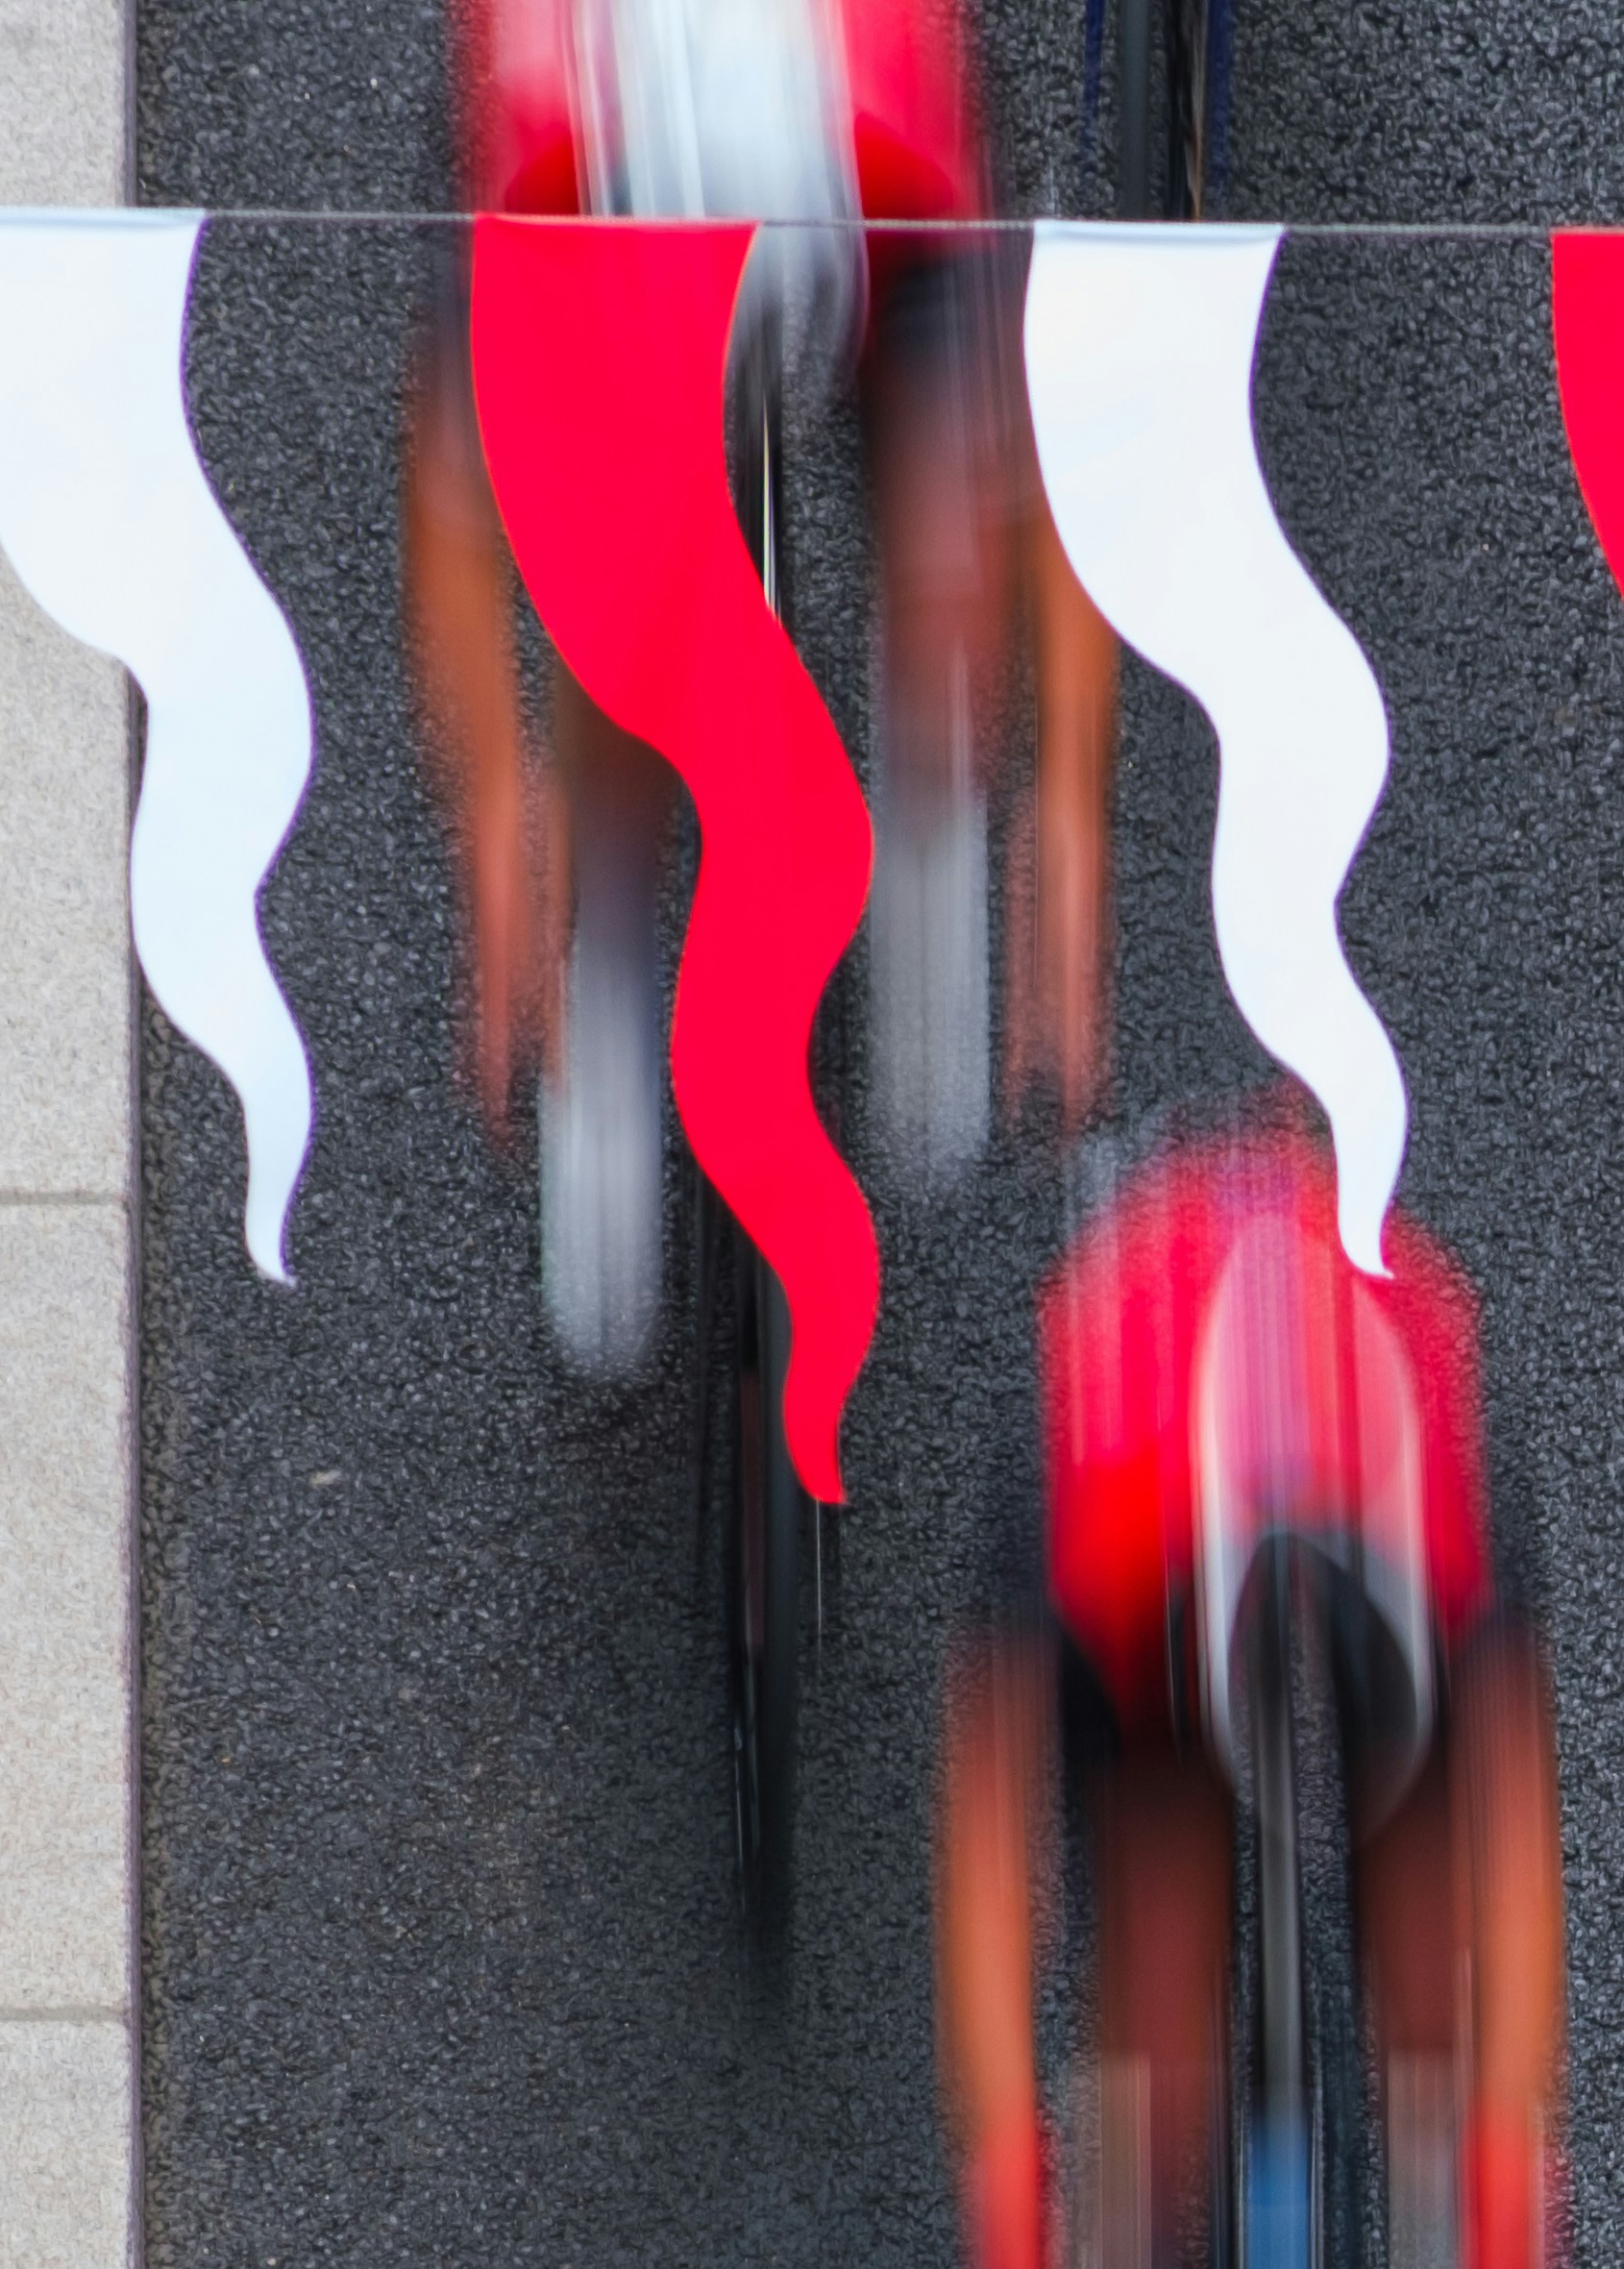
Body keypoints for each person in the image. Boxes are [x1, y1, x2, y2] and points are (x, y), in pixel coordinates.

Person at [405, 0, 1125, 1370]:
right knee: (616, 613)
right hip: (616, 257)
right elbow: (456, 493)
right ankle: (603, 953)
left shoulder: (887, 102)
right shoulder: (547, 143)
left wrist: (1063, 809)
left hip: (864, 201)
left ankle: (935, 807)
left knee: (952, 543)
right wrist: (504, 813)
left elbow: (1040, 462)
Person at [936, 1112, 1571, 2269]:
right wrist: (1012, 2227)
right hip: (1138, 1522)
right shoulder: (1083, 1476)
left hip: (1363, 1510)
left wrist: (1506, 2187)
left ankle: (1404, 2142)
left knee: (1417, 1917)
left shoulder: (1425, 1451)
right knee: (1160, 1930)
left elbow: (1510, 1837)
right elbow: (993, 1859)